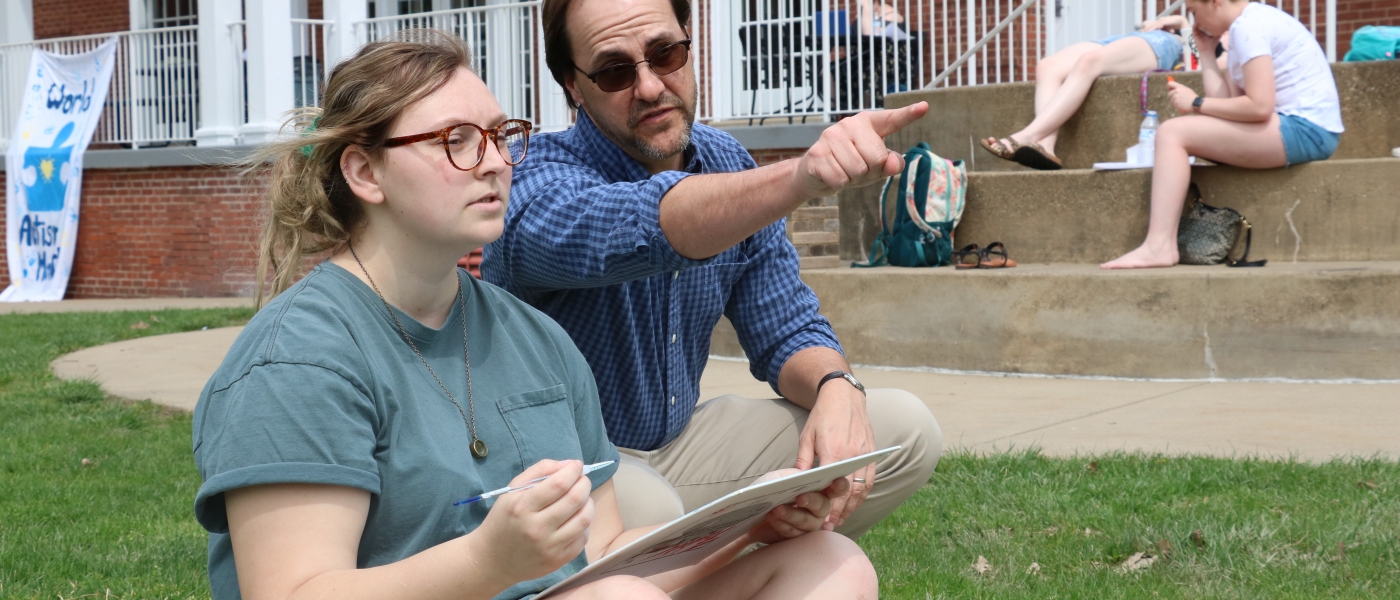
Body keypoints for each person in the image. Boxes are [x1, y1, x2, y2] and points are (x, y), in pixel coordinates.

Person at [192, 31, 877, 600]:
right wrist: (486, 560)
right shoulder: (298, 357)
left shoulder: (536, 338)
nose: (495, 163)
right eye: (458, 139)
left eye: (500, 136)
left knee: (829, 564)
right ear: (366, 173)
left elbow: (605, 551)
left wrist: (749, 525)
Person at [483, 0, 942, 540]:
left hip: (678, 447)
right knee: (651, 503)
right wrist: (801, 177)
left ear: (688, 38)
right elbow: (639, 222)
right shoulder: (532, 179)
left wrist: (836, 386)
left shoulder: (726, 162)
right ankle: (727, 560)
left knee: (903, 428)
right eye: (614, 71)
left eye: (665, 53)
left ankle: (744, 555)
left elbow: (786, 327)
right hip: (560, 466)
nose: (650, 86)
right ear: (573, 85)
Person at [1102, 0, 1343, 268]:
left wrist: (1196, 103)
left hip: (1306, 130)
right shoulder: (1244, 26)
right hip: (1302, 128)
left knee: (1171, 133)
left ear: (1215, 2)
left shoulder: (1249, 26)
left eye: (1194, 11)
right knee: (1176, 132)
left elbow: (1259, 106)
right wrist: (1206, 53)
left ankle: (1158, 246)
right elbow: (1227, 104)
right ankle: (1159, 246)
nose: (1195, 20)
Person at [981, 16, 1192, 170]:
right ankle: (1045, 146)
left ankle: (1027, 135)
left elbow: (1200, 58)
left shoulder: (1202, 27)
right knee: (1047, 66)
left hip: (1167, 42)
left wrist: (1183, 23)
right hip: (1135, 37)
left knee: (1089, 61)